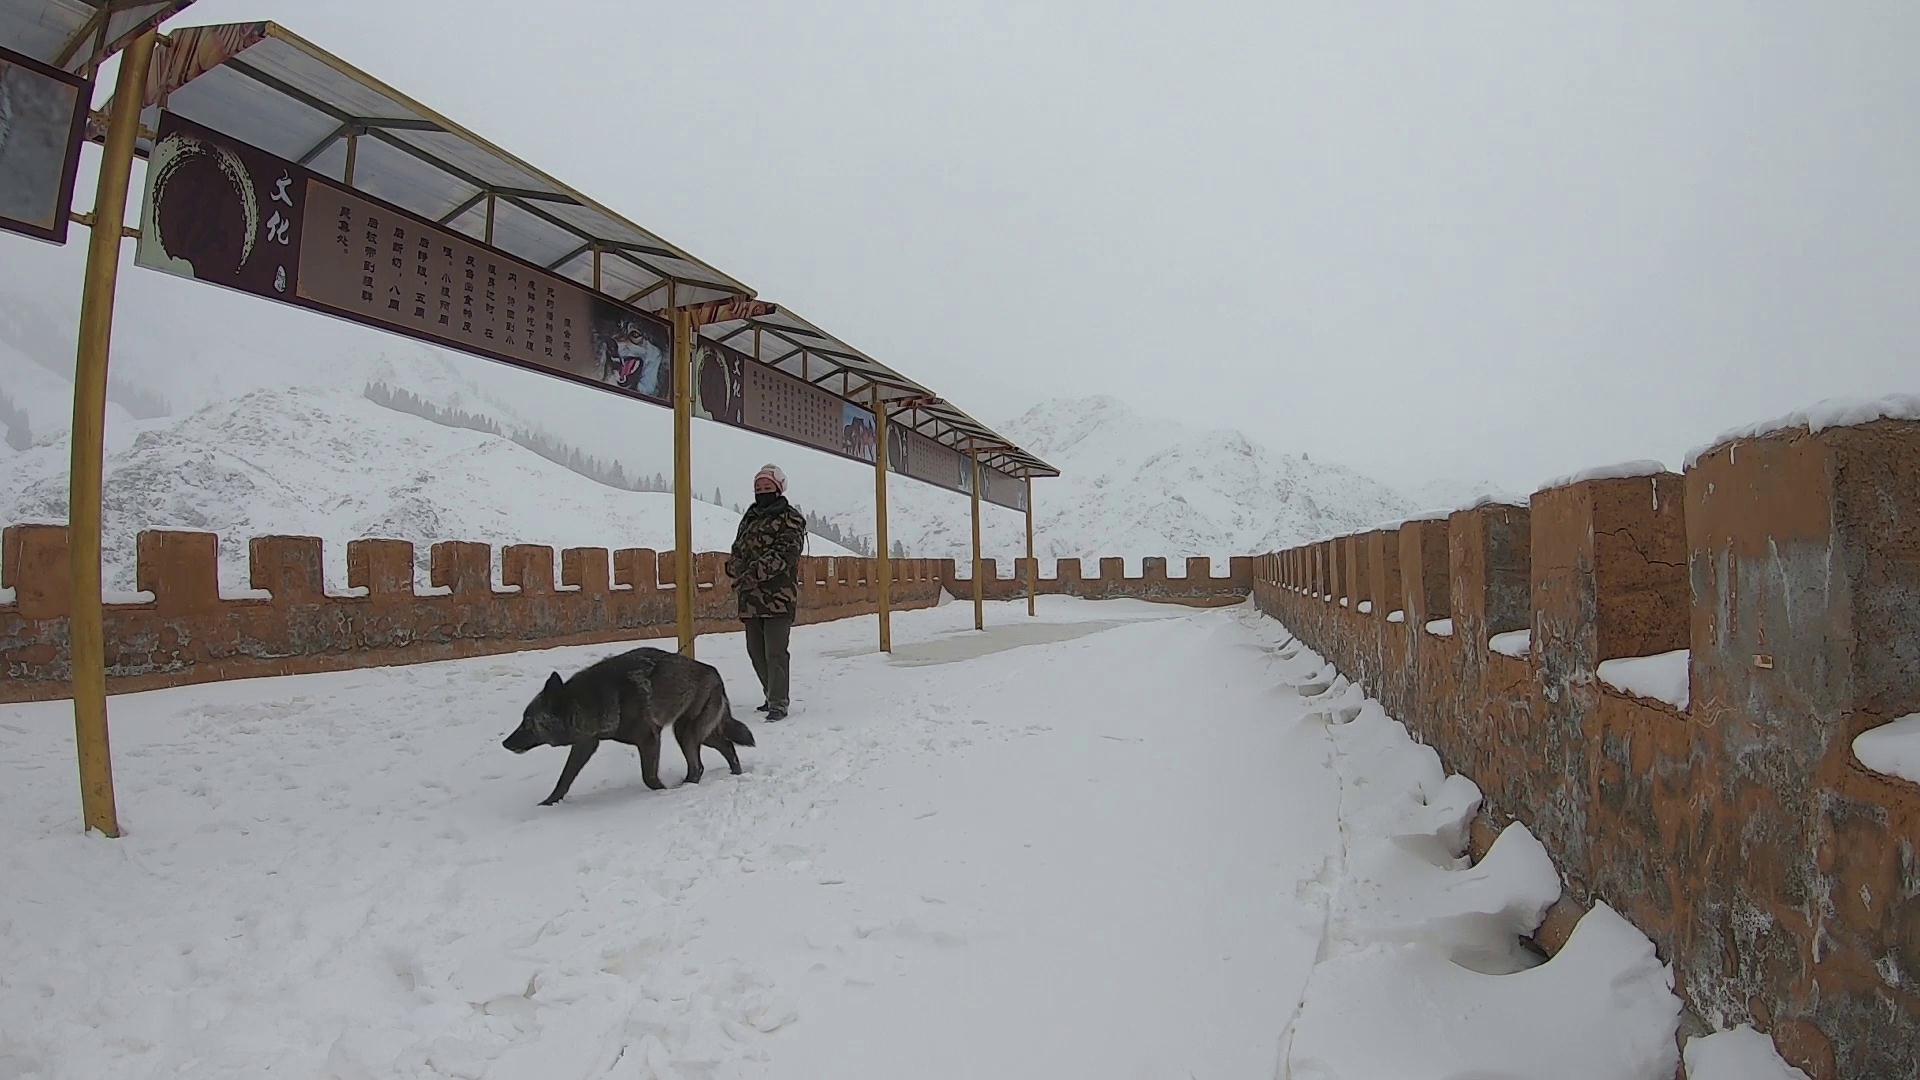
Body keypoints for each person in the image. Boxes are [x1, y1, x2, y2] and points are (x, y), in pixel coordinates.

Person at [726, 464, 807, 720]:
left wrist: (754, 573)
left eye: (767, 487)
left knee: (775, 650)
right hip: (750, 598)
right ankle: (769, 693)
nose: (762, 492)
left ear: (779, 488)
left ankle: (778, 702)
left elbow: (786, 553)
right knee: (755, 650)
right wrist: (734, 567)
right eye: (758, 488)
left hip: (778, 597)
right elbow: (738, 547)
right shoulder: (750, 517)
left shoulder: (791, 518)